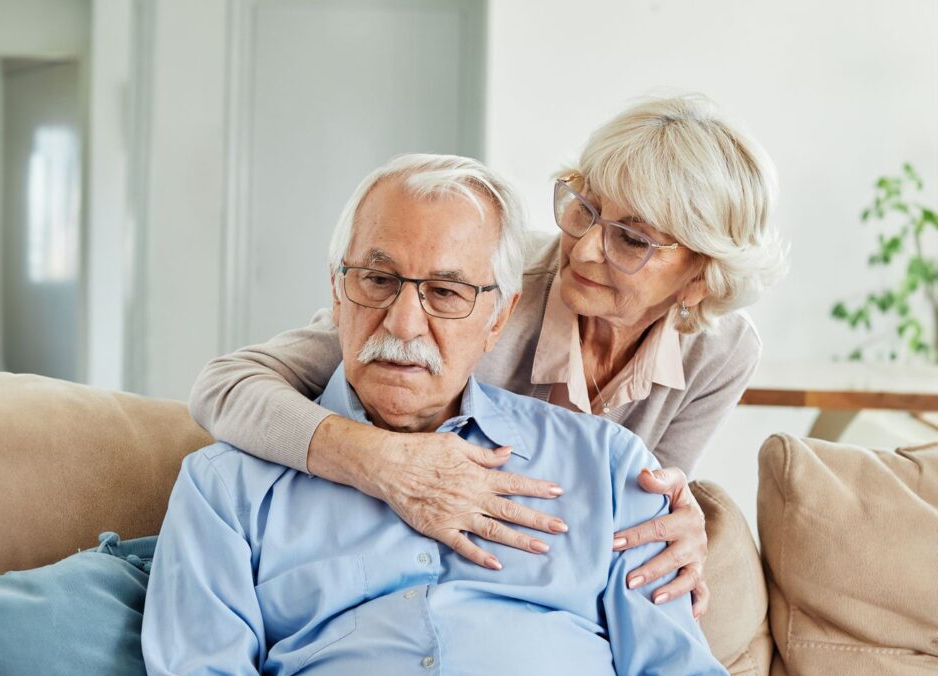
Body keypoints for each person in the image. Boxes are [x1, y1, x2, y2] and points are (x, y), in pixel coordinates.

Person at [142, 153, 748, 676]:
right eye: (376, 279)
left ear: (498, 318)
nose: (403, 319)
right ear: (336, 292)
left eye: (447, 292)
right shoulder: (225, 486)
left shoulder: (609, 464)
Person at [188, 94, 786, 618]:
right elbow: (227, 385)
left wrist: (678, 525)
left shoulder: (722, 353)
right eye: (584, 207)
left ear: (701, 278)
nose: (583, 249)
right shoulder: (475, 288)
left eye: (631, 239)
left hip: (533, 583)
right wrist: (387, 462)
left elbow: (636, 509)